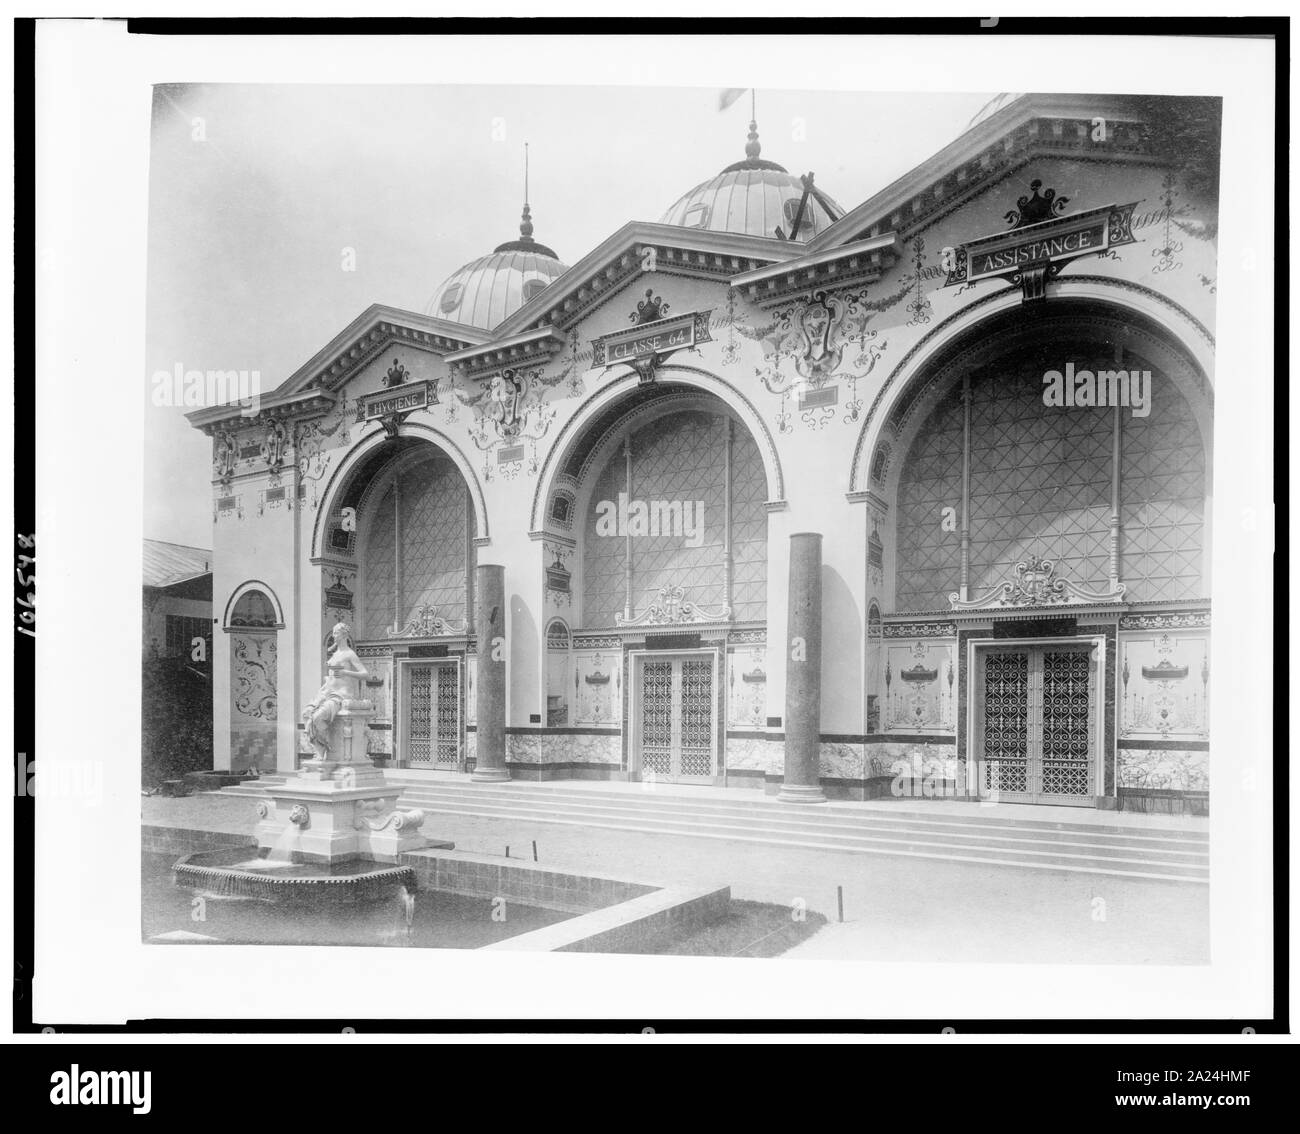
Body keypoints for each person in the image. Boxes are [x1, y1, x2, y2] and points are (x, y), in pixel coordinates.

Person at [301, 622, 369, 761]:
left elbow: (365, 674)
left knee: (318, 717)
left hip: (341, 694)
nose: (333, 635)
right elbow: (332, 677)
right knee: (307, 713)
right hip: (328, 692)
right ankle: (320, 748)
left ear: (344, 635)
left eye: (336, 633)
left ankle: (324, 748)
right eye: (333, 633)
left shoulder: (349, 654)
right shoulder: (335, 654)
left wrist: (346, 672)